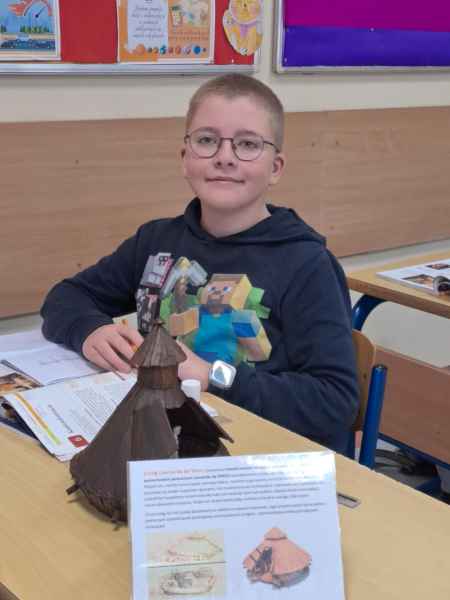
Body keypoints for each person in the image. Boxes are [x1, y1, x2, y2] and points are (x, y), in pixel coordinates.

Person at [41, 74, 358, 453]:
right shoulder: (156, 241)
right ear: (185, 158)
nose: (225, 157)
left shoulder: (308, 264)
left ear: (275, 167)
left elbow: (334, 401)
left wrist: (212, 376)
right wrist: (90, 330)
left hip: (251, 453)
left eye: (247, 144)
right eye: (207, 140)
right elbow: (66, 297)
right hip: (160, 438)